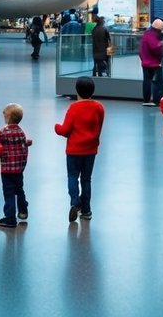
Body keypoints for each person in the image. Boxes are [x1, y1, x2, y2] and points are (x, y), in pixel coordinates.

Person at [55, 76, 105, 222]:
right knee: (86, 179)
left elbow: (64, 130)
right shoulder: (99, 107)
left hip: (74, 150)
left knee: (72, 177)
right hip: (90, 150)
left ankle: (75, 201)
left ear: (76, 91)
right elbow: (99, 126)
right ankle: (86, 210)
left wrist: (56, 127)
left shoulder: (74, 108)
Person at [0, 103, 32, 229]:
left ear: (7, 118)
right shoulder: (21, 132)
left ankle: (10, 219)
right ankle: (23, 210)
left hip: (7, 169)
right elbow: (23, 143)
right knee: (19, 190)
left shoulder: (4, 132)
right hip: (19, 169)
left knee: (8, 193)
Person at [139, 18, 163, 105]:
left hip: (145, 63)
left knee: (146, 81)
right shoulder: (152, 35)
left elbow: (141, 50)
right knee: (157, 82)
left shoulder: (146, 34)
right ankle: (157, 100)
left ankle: (146, 100)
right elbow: (155, 47)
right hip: (154, 64)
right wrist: (161, 44)